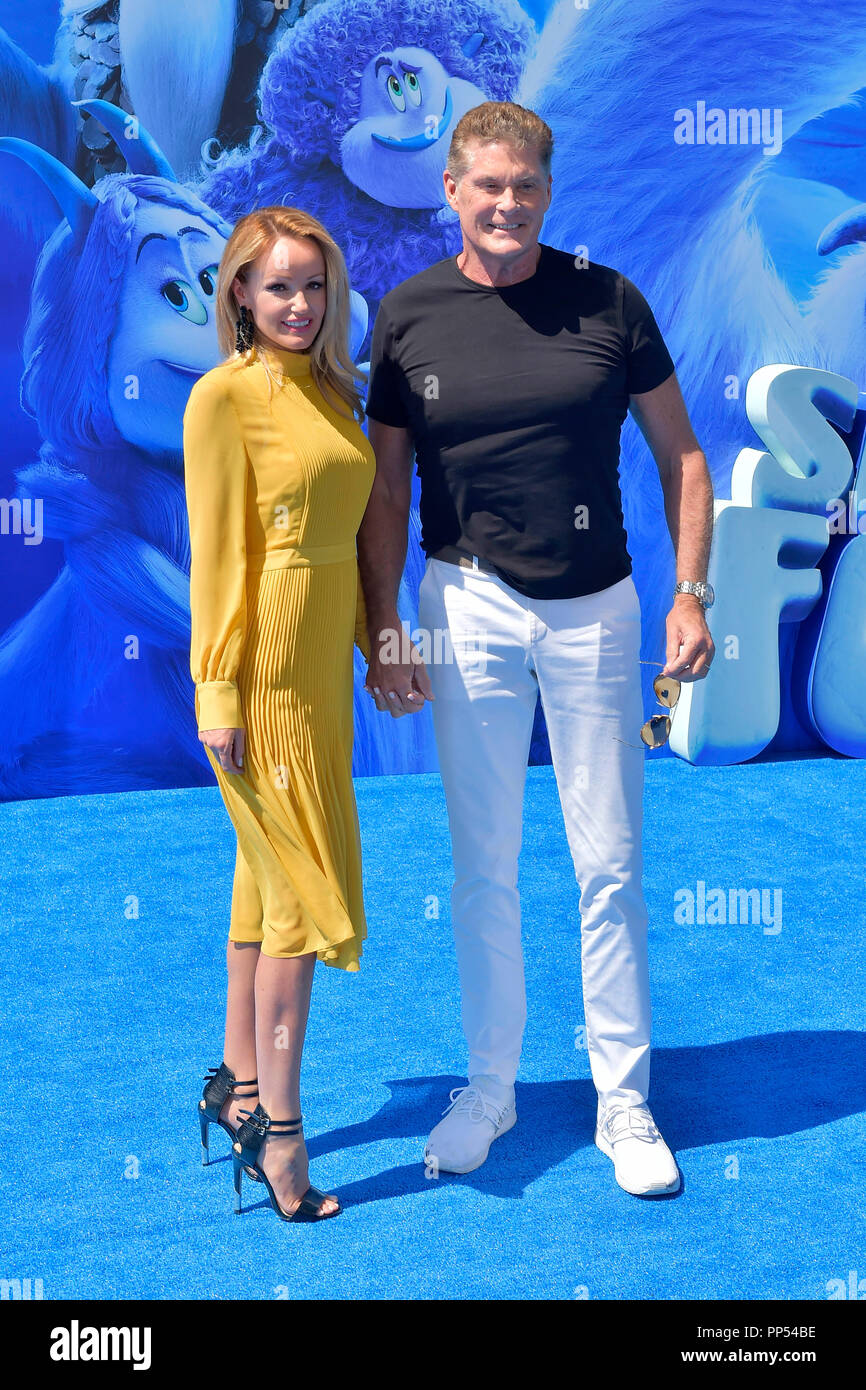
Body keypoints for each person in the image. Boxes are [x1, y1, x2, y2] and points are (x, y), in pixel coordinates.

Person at [358, 101, 714, 1197]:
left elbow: (685, 460)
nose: (505, 204)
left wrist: (689, 594)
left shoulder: (608, 299)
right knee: (483, 866)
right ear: (450, 193)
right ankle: (489, 1089)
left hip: (595, 610)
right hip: (463, 607)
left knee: (608, 863)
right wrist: (385, 624)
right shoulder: (407, 316)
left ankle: (622, 1101)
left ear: (546, 193)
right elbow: (384, 488)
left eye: (524, 186)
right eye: (485, 186)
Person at [183, 206, 375, 1221]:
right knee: (301, 898)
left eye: (312, 285)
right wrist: (217, 688)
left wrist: (367, 643)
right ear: (240, 297)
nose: (297, 304)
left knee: (265, 889)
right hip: (258, 675)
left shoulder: (332, 390)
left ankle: (236, 1085)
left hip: (319, 676)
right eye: (277, 286)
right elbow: (219, 555)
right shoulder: (223, 398)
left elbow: (340, 537)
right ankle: (281, 1134)